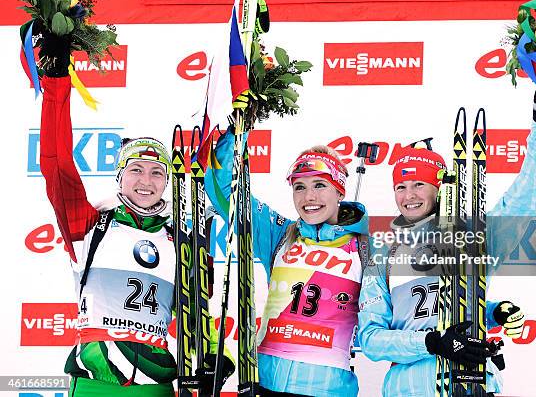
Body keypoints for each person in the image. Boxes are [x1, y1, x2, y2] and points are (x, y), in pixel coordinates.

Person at [37, 32, 232, 396]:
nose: (147, 180)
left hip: (155, 381)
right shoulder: (89, 224)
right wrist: (57, 80)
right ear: (120, 177)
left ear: (168, 182)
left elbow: (195, 312)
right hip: (98, 377)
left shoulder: (182, 240)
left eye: (157, 172)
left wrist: (207, 358)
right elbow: (57, 164)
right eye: (136, 170)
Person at [358, 85, 536, 396]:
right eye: (401, 186)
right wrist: (431, 343)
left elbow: (526, 199)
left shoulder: (476, 237)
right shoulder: (385, 254)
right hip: (407, 388)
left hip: (471, 381)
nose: (409, 195)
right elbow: (371, 339)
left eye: (419, 184)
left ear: (440, 188)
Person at [205, 131, 369, 396]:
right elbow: (221, 189)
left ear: (339, 191)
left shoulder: (365, 248)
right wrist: (239, 128)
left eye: (319, 185)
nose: (309, 197)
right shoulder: (279, 234)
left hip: (327, 389)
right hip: (265, 384)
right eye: (299, 187)